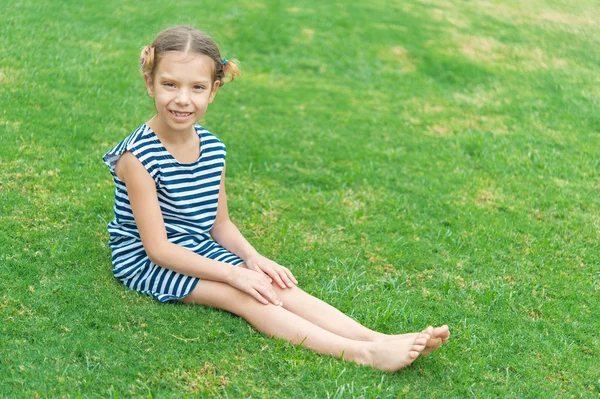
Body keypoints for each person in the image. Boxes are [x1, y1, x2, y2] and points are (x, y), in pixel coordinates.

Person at [103, 25, 449, 372]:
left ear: (214, 90)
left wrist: (252, 259)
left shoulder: (212, 149)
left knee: (271, 284)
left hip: (193, 246)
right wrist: (231, 274)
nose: (182, 99)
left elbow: (220, 224)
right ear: (150, 83)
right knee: (245, 295)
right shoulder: (138, 157)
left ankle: (377, 338)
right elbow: (158, 249)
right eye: (170, 84)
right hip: (148, 262)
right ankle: (361, 354)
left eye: (197, 87)